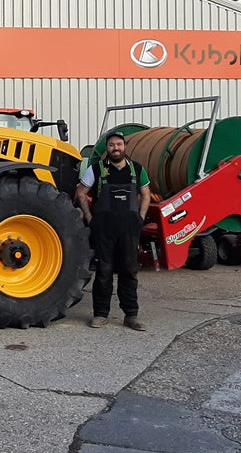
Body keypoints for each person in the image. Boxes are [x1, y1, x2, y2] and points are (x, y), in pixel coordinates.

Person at [75, 131, 152, 331]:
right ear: (107, 149)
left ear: (124, 146)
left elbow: (146, 194)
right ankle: (100, 314)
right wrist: (90, 218)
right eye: (111, 145)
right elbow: (81, 193)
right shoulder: (96, 169)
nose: (115, 148)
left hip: (129, 229)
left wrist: (140, 218)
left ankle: (131, 316)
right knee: (104, 272)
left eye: (119, 144)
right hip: (104, 230)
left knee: (129, 272)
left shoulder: (137, 169)